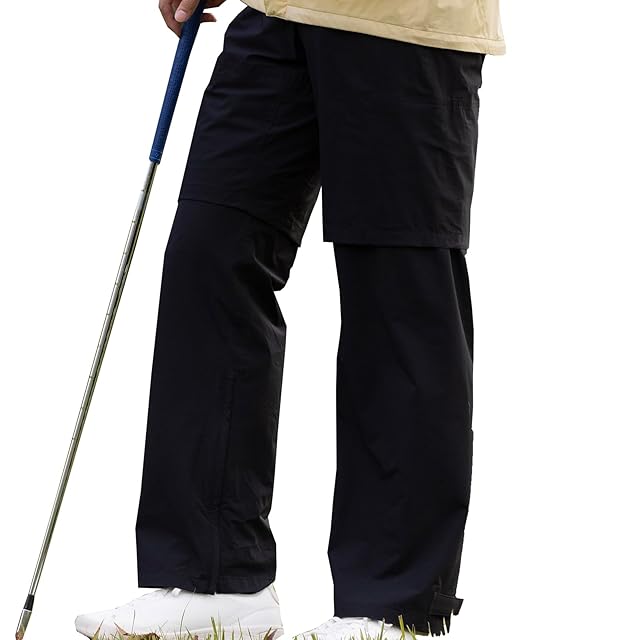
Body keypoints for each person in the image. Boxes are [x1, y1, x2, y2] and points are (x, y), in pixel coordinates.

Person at [75, 0, 505, 638]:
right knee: (209, 256)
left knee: (396, 297)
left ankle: (393, 606)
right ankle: (216, 579)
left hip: (405, 25)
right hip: (279, 15)